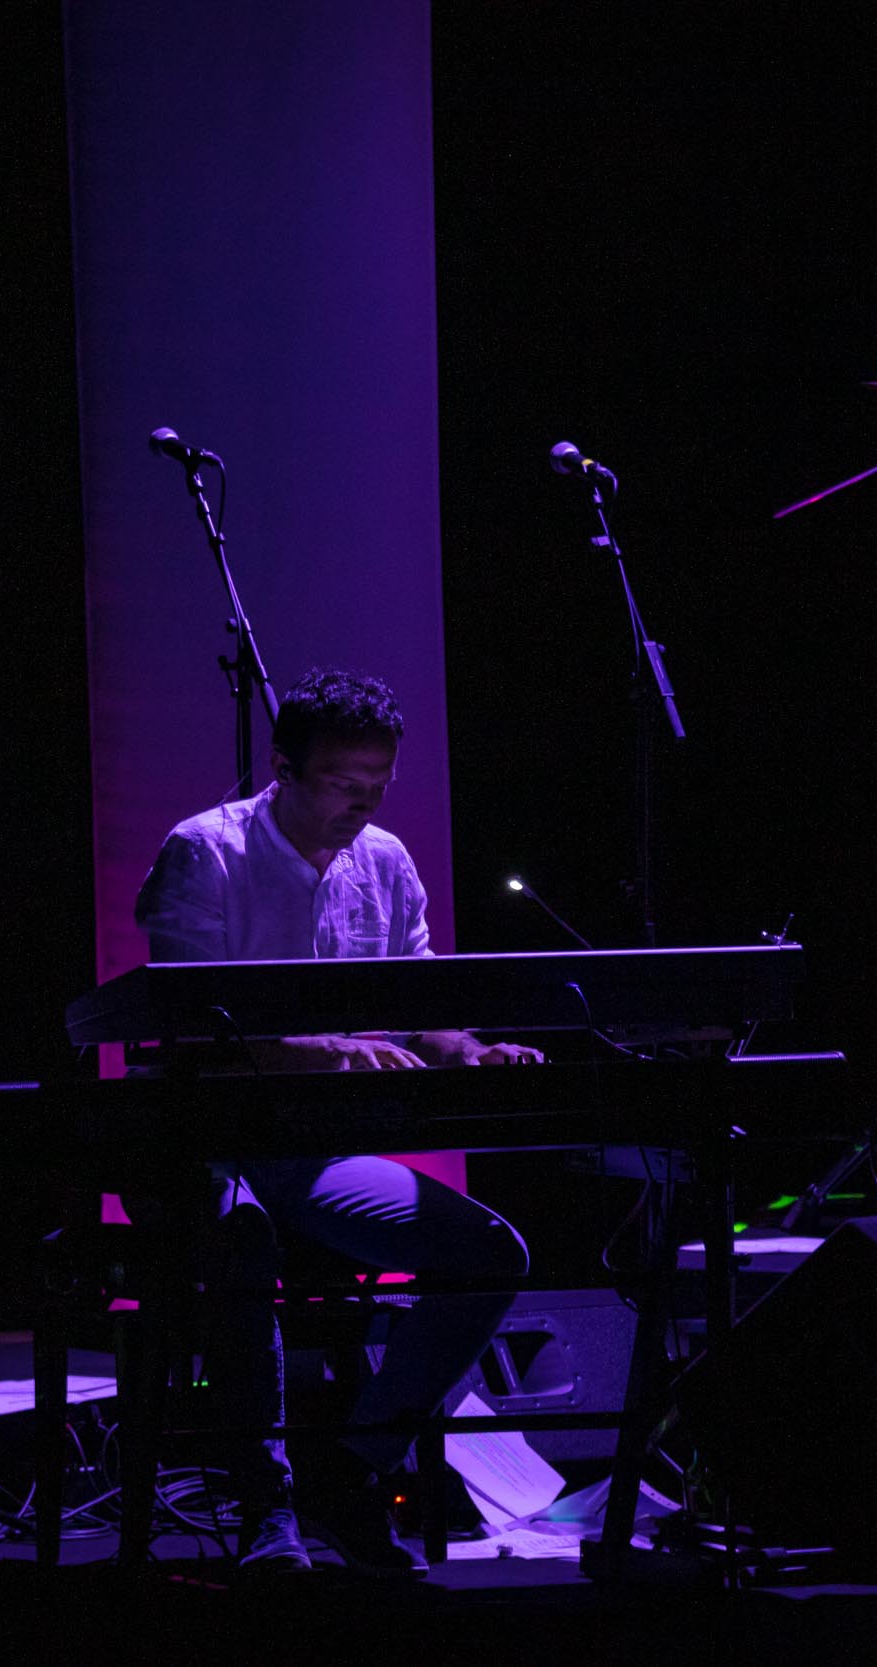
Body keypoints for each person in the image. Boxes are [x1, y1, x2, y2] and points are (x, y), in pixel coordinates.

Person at [132, 667, 537, 1577]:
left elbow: (416, 1004)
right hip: (201, 1141)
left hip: (309, 1154)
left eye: (377, 785)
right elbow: (187, 1027)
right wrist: (321, 1050)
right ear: (282, 768)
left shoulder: (384, 860)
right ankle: (265, 1503)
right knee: (241, 1242)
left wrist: (470, 1051)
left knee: (488, 1252)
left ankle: (351, 1469)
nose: (362, 805)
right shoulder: (205, 851)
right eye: (341, 784)